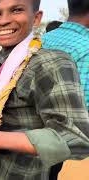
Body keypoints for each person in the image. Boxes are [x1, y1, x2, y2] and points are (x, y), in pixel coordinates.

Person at [0, 0, 89, 179]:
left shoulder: (51, 62)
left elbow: (77, 138)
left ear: (36, 18)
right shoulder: (5, 57)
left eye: (16, 10)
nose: (3, 21)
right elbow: (2, 98)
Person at [42, 0, 89, 179]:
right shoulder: (86, 47)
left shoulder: (42, 39)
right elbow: (80, 113)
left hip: (19, 138)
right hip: (52, 143)